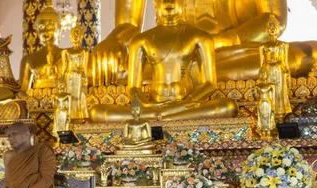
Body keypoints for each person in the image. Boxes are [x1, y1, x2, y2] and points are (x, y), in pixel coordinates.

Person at [90, 0, 317, 84]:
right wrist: (114, 40)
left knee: (305, 54)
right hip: (168, 57)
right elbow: (127, 26)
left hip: (234, 50)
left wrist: (215, 43)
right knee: (91, 70)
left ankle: (168, 86)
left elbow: (273, 19)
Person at [90, 0, 238, 122]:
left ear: (183, 3)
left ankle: (158, 117)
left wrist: (186, 102)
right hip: (152, 105)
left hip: (185, 103)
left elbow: (210, 83)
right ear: (155, 3)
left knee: (228, 106)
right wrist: (145, 104)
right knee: (96, 111)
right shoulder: (141, 40)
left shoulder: (200, 37)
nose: (169, 2)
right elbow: (133, 87)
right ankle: (167, 117)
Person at [61, 26, 89, 121]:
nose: (75, 36)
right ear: (70, 36)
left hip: (78, 76)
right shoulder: (65, 51)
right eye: (73, 34)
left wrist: (85, 83)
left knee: (77, 97)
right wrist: (61, 80)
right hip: (68, 76)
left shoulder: (84, 51)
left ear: (81, 36)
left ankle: (78, 116)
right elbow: (64, 67)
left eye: (77, 34)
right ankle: (68, 116)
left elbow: (84, 68)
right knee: (69, 97)